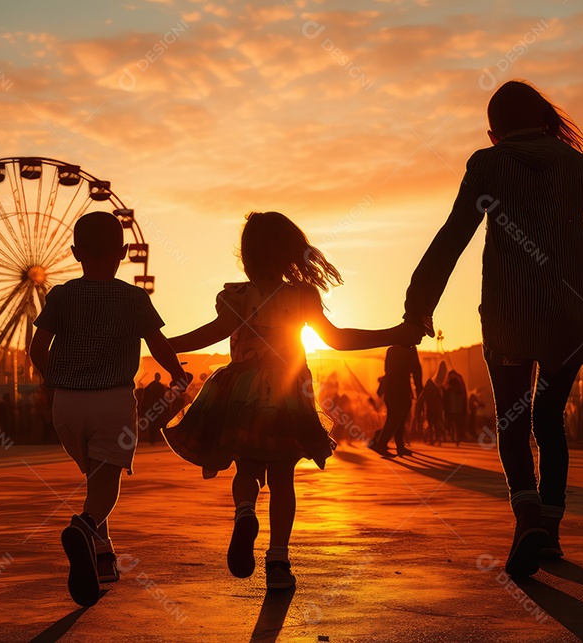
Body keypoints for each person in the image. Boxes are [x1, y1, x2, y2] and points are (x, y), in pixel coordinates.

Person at [402, 80, 583, 577]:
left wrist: (418, 306)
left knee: (513, 420)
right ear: (543, 118)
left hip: (509, 315)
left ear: (493, 131)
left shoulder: (487, 164)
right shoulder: (575, 164)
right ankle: (551, 533)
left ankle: (527, 518)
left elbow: (453, 235)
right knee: (550, 420)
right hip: (571, 316)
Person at [163, 211, 420, 591]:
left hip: (241, 391)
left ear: (246, 257)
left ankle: (245, 513)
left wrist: (163, 344)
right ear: (288, 254)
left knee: (245, 468)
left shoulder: (236, 296)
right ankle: (278, 562)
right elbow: (337, 339)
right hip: (288, 392)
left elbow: (209, 334)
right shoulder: (301, 296)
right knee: (283, 479)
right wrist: (394, 333)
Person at [28, 211, 187, 607]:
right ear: (125, 251)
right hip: (113, 401)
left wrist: (55, 383)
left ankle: (102, 558)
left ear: (75, 252)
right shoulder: (134, 298)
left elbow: (37, 349)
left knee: (96, 480)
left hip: (67, 405)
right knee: (106, 486)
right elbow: (158, 344)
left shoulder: (61, 296)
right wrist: (178, 374)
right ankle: (82, 529)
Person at [369, 344, 423, 457]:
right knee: (396, 417)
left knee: (399, 418)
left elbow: (388, 369)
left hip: (393, 389)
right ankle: (381, 443)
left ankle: (399, 446)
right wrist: (419, 390)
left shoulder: (392, 349)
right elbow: (416, 369)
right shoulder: (409, 348)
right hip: (400, 389)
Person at [139, 373, 167, 445]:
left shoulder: (150, 386)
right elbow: (163, 398)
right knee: (157, 423)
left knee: (152, 424)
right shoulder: (160, 387)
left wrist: (143, 409)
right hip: (158, 408)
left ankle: (152, 440)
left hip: (152, 408)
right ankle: (157, 439)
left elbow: (145, 398)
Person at [443, 368, 468, 446]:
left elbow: (445, 395)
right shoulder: (459, 387)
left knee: (454, 423)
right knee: (457, 424)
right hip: (457, 409)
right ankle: (457, 438)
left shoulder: (450, 387)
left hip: (452, 409)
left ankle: (455, 438)